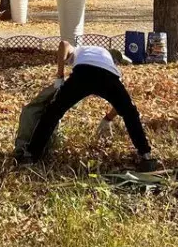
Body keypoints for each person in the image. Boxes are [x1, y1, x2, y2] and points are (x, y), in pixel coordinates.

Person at [25, 40, 158, 171]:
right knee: (130, 112)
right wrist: (108, 118)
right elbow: (121, 105)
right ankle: (146, 155)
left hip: (83, 73)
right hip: (108, 76)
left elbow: (63, 44)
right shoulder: (109, 61)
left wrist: (60, 75)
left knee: (54, 111)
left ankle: (31, 155)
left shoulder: (79, 49)